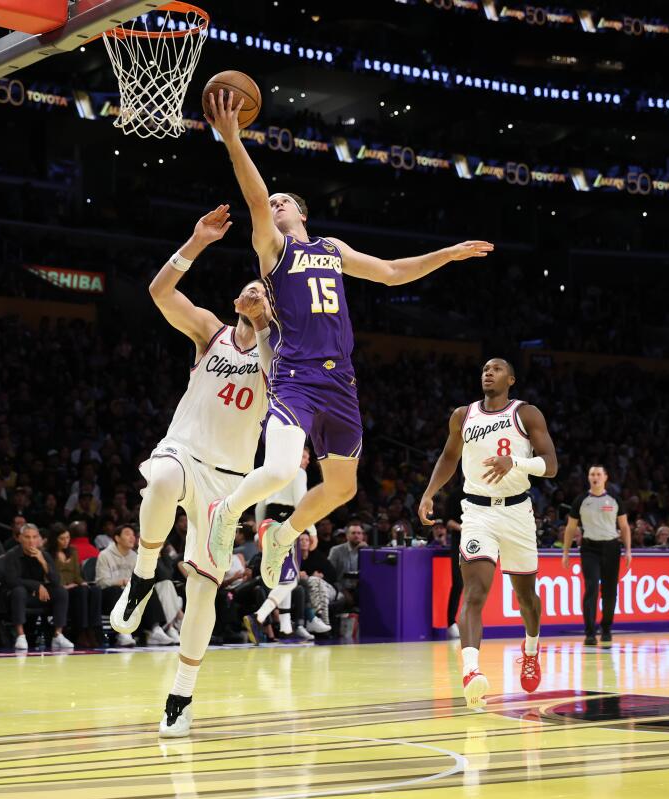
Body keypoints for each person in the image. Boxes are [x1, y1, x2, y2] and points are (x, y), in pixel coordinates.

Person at [204, 88, 494, 592]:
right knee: (276, 470)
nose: (272, 205)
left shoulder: (331, 248)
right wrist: (233, 139)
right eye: (270, 203)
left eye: (282, 201)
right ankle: (225, 513)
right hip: (296, 376)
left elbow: (389, 271)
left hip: (341, 382)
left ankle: (282, 535)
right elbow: (253, 195)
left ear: (302, 212)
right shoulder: (272, 250)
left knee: (343, 486)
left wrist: (446, 254)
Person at [103, 206, 270, 738]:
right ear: (234, 301)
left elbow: (277, 367)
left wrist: (268, 325)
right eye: (251, 290)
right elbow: (160, 292)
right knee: (160, 478)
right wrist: (196, 242)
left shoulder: (281, 352)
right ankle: (144, 575)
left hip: (230, 484)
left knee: (202, 590)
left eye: (264, 293)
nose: (255, 296)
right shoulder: (211, 333)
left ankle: (180, 695)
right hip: (185, 452)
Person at [418, 358, 558, 708]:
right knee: (475, 591)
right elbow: (449, 458)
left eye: (496, 369)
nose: (488, 372)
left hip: (517, 512)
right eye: (484, 368)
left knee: (526, 597)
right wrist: (429, 492)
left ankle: (530, 649)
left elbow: (551, 465)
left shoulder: (526, 414)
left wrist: (517, 463)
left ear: (511, 378)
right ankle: (471, 671)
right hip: (477, 511)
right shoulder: (463, 416)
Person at [564, 465, 633, 647]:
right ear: (588, 478)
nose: (595, 477)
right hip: (589, 548)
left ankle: (607, 628)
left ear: (605, 477)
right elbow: (571, 528)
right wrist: (565, 552)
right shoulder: (581, 500)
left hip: (611, 547)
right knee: (592, 587)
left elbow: (624, 527)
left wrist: (628, 550)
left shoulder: (614, 499)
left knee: (610, 591)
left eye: (598, 474)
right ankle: (589, 632)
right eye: (592, 474)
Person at [0, 523, 72, 650]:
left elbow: (56, 580)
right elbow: (11, 581)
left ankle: (58, 635)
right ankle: (20, 636)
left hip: (38, 596)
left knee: (60, 591)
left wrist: (43, 562)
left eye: (34, 537)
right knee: (19, 591)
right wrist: (37, 586)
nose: (31, 541)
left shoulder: (44, 555)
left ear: (39, 539)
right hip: (16, 596)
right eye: (27, 537)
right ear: (20, 538)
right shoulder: (11, 555)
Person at [98, 524, 172, 647]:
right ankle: (122, 633)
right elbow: (101, 582)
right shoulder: (105, 555)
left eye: (133, 534)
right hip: (109, 595)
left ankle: (155, 630)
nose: (132, 537)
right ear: (117, 538)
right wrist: (121, 582)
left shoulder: (135, 556)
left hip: (129, 594)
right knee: (116, 590)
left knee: (148, 588)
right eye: (127, 534)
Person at [48, 525, 102, 647]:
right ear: (55, 539)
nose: (66, 541)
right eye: (62, 538)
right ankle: (81, 631)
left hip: (74, 586)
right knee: (81, 591)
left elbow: (77, 575)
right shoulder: (48, 554)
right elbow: (50, 576)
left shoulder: (73, 551)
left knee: (95, 590)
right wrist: (64, 586)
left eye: (67, 537)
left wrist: (82, 582)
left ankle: (92, 629)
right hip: (59, 588)